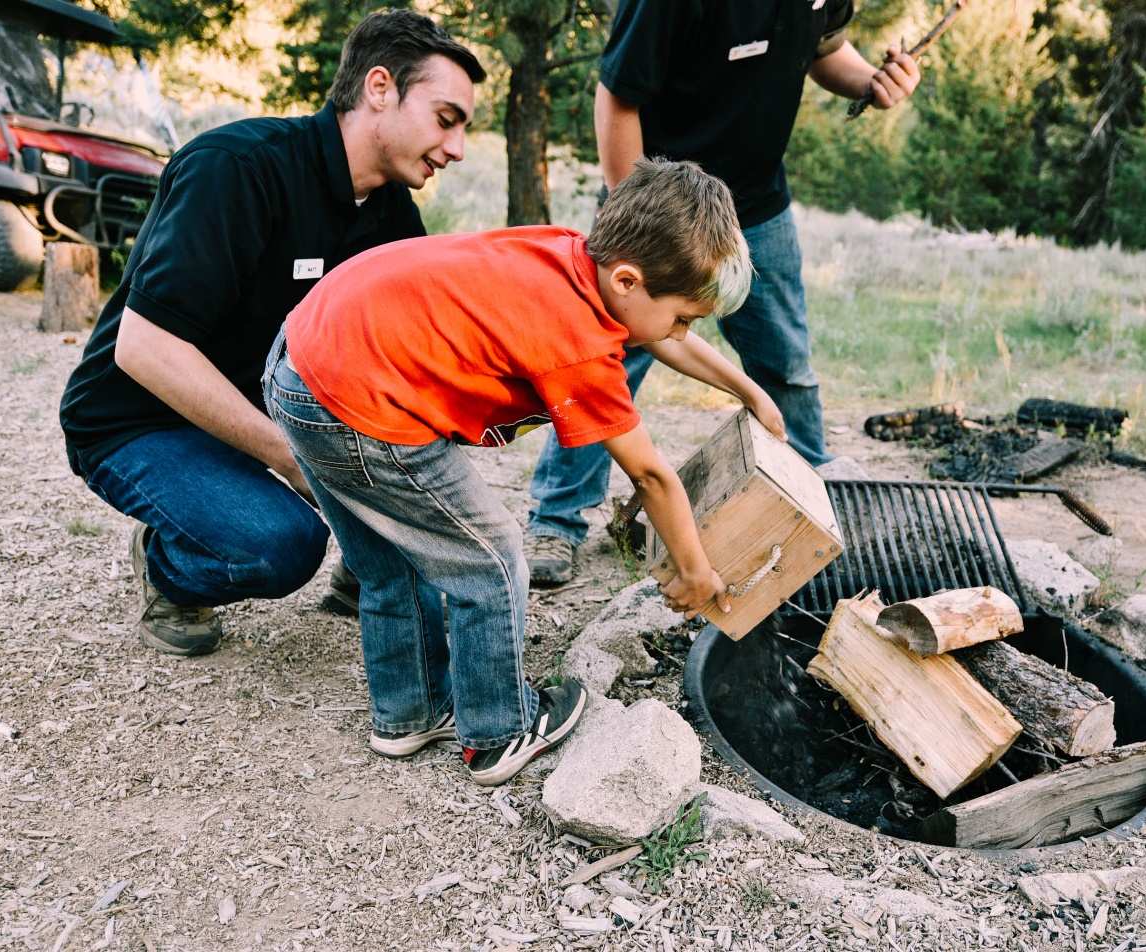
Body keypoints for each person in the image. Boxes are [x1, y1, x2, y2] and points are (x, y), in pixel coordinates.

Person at [263, 157, 782, 779]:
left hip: (305, 362)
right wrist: (696, 572)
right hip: (361, 404)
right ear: (626, 281)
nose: (681, 332)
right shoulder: (579, 342)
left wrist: (746, 388)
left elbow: (659, 333)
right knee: (492, 556)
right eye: (684, 317)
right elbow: (651, 476)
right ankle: (499, 731)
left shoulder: (572, 255)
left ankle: (410, 712)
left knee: (388, 560)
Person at [59, 11, 484, 658]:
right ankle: (169, 565)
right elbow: (144, 349)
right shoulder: (235, 169)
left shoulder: (394, 217)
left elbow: (405, 356)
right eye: (445, 119)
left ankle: (371, 572)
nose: (455, 149)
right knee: (280, 546)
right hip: (137, 419)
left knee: (424, 432)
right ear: (378, 89)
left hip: (260, 409)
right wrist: (295, 458)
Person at [523, 0, 923, 586]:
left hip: (757, 206)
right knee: (605, 356)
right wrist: (638, 216)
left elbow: (825, 48)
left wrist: (872, 80)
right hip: (658, 209)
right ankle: (556, 518)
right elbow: (617, 94)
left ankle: (812, 496)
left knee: (785, 360)